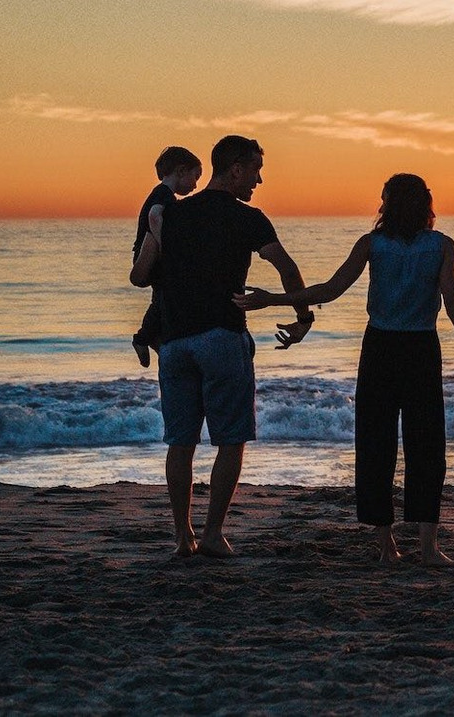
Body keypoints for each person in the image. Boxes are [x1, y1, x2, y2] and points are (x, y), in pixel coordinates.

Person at [235, 174, 454, 567]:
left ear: (388, 202)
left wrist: (276, 300)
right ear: (426, 203)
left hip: (384, 349)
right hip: (418, 348)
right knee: (426, 446)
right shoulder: (438, 245)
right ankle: (427, 547)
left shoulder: (376, 243)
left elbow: (330, 290)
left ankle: (388, 545)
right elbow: (453, 303)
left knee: (377, 444)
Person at [129, 135, 315, 559]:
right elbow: (286, 267)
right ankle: (212, 533)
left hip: (175, 342)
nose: (259, 179)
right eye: (254, 170)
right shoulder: (248, 218)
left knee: (181, 443)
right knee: (230, 440)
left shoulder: (169, 215)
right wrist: (303, 318)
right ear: (234, 169)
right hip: (221, 337)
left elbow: (141, 275)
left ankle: (182, 538)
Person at [131, 146, 203, 367]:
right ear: (181, 171)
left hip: (152, 255)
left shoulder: (162, 194)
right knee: (163, 297)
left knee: (161, 297)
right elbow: (154, 216)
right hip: (151, 256)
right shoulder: (164, 194)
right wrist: (168, 246)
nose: (195, 185)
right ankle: (143, 338)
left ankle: (150, 337)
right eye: (195, 176)